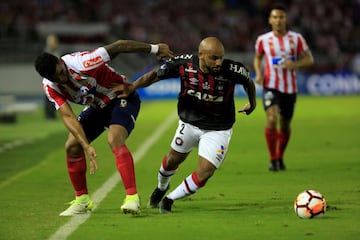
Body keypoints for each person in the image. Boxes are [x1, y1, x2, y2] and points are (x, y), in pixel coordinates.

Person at [34, 40, 174, 216]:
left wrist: (155, 49)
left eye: (61, 73)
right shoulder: (50, 86)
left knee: (114, 139)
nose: (62, 79)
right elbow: (68, 116)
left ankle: (132, 198)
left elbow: (119, 46)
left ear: (60, 62)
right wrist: (86, 146)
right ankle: (82, 201)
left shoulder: (83, 63)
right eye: (56, 78)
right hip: (97, 107)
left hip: (121, 97)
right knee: (72, 146)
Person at [117, 36, 256, 213]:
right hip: (189, 124)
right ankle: (161, 188)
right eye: (214, 58)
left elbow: (249, 83)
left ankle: (170, 199)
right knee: (172, 161)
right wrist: (132, 87)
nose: (219, 62)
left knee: (205, 172)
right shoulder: (184, 64)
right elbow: (155, 75)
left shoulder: (233, 70)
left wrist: (253, 104)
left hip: (218, 129)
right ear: (201, 55)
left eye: (221, 57)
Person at [253, 4, 314, 171]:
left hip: (290, 88)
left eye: (281, 17)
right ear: (270, 20)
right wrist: (258, 73)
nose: (278, 20)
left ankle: (280, 156)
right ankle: (273, 160)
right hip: (270, 85)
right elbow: (258, 58)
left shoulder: (297, 39)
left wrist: (295, 64)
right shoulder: (263, 39)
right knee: (272, 119)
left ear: (285, 19)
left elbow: (309, 59)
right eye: (275, 17)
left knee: (285, 124)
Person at [43, 34, 61, 119]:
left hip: (54, 78)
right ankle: (49, 115)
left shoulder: (56, 52)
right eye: (54, 42)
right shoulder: (47, 53)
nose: (55, 44)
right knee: (49, 97)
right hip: (48, 78)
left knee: (53, 97)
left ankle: (51, 114)